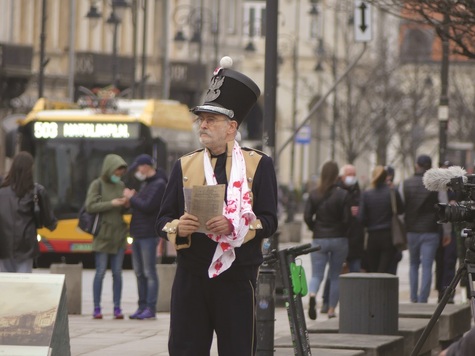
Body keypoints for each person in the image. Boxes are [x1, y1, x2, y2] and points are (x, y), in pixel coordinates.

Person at [155, 58, 278, 356]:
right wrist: (177, 228)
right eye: (202, 119)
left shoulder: (258, 165)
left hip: (237, 278)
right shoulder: (184, 165)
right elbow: (163, 218)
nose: (203, 124)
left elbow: (270, 220)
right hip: (191, 277)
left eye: (211, 119)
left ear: (231, 127)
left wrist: (235, 226)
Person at [304, 161, 351, 320]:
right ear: (337, 175)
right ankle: (331, 310)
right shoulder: (343, 194)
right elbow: (347, 219)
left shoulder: (314, 193)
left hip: (319, 239)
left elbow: (307, 216)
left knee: (317, 274)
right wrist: (341, 231)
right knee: (335, 275)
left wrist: (315, 228)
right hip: (339, 239)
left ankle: (312, 295)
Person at [401, 154, 451, 303]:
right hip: (431, 230)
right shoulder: (437, 185)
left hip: (412, 230)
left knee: (413, 264)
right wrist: (446, 231)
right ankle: (423, 299)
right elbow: (445, 208)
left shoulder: (405, 183)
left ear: (417, 165)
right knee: (428, 266)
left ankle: (413, 298)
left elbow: (401, 210)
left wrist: (404, 227)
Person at [123, 154, 167, 320]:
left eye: (139, 167)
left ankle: (150, 307)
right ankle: (141, 306)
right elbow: (141, 203)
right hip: (137, 233)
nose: (137, 170)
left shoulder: (158, 184)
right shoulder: (147, 184)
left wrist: (132, 197)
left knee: (149, 272)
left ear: (146, 166)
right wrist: (134, 198)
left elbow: (148, 206)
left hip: (148, 233)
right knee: (139, 272)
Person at [0, 151, 57, 272]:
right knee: (22, 285)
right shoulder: (37, 191)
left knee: (4, 286)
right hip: (26, 248)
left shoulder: (1, 191)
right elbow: (50, 222)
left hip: (3, 247)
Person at [87, 154, 129, 319]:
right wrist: (111, 203)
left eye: (121, 172)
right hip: (103, 235)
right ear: (109, 168)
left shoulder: (121, 185)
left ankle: (117, 307)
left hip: (118, 235)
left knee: (117, 273)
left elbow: (123, 209)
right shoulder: (97, 184)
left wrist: (126, 204)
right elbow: (90, 206)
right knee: (100, 271)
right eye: (117, 171)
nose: (118, 175)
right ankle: (97, 307)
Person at [320, 164, 364, 314]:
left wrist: (358, 214)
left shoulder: (358, 191)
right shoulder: (335, 191)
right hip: (340, 236)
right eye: (349, 174)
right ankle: (327, 302)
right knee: (333, 273)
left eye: (353, 174)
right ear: (342, 176)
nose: (352, 177)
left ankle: (353, 305)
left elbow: (363, 213)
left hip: (355, 238)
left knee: (354, 272)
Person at [358, 166, 404, 274]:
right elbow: (401, 210)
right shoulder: (392, 192)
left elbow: (361, 218)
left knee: (373, 271)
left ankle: (375, 290)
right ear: (386, 177)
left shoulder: (366, 194)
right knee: (384, 271)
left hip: (372, 237)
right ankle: (384, 290)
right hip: (389, 236)